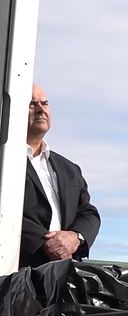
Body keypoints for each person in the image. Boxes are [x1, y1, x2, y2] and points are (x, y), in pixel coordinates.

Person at [20, 83, 100, 268]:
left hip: (64, 278)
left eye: (45, 103)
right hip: (15, 275)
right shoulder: (5, 160)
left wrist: (75, 237)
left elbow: (88, 212)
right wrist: (46, 244)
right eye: (32, 104)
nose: (40, 109)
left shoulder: (70, 169)